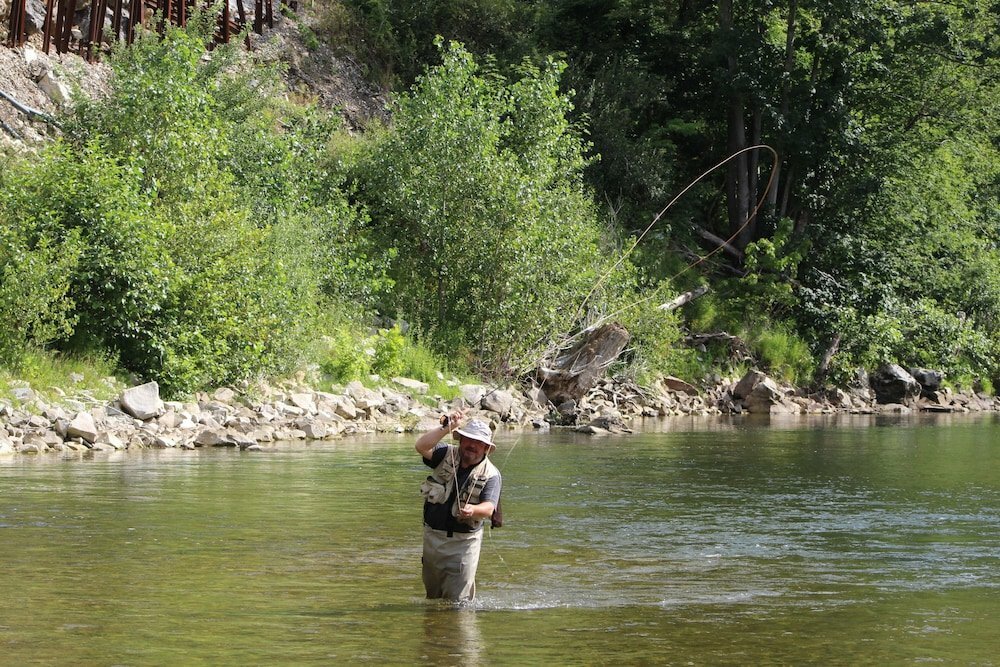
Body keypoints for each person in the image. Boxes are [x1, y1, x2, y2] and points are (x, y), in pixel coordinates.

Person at [415, 412, 502, 602]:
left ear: (486, 448)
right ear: (461, 440)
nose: (472, 446)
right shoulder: (445, 454)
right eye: (468, 440)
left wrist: (473, 510)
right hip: (432, 539)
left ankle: (457, 630)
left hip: (464, 544)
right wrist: (447, 428)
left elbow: (488, 508)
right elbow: (421, 446)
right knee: (432, 599)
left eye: (478, 443)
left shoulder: (491, 474)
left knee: (458, 603)